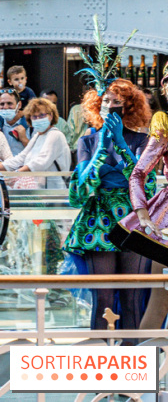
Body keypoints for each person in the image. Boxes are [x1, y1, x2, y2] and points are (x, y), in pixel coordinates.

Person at [63, 79, 153, 332]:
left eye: (117, 102)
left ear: (128, 107)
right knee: (102, 299)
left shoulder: (142, 140)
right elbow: (78, 193)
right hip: (98, 223)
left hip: (133, 221)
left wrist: (122, 146)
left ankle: (133, 353)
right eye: (106, 101)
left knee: (132, 298)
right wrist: (101, 151)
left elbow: (146, 185)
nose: (110, 106)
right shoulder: (88, 142)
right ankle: (101, 353)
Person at [111, 68, 168, 331]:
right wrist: (143, 215)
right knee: (160, 304)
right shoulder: (164, 125)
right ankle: (145, 357)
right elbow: (138, 174)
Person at [0, 98, 71, 188]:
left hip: (53, 191)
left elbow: (41, 161)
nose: (38, 119)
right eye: (34, 117)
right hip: (38, 190)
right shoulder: (37, 136)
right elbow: (21, 158)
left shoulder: (55, 135)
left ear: (51, 116)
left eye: (42, 115)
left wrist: (16, 174)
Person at [0, 88, 30, 156]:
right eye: (2, 104)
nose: (5, 107)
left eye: (9, 103)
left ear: (19, 105)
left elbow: (37, 153)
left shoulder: (32, 126)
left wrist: (24, 139)